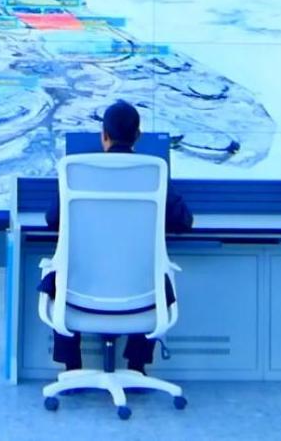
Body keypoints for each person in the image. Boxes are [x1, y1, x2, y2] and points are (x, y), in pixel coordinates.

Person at [41, 100, 194, 374]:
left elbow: (52, 219)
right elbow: (184, 221)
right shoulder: (152, 173)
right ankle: (137, 366)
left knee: (61, 270)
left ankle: (72, 367)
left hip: (80, 297)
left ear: (104, 135)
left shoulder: (78, 172)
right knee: (151, 272)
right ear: (138, 136)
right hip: (140, 300)